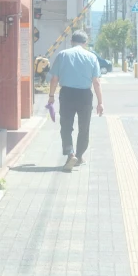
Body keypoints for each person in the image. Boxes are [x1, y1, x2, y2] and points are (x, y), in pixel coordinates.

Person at [48, 30, 104, 172]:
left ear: (71, 41)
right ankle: (79, 156)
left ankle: (70, 154)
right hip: (85, 95)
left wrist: (51, 96)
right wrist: (100, 102)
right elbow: (96, 82)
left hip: (66, 94)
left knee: (66, 127)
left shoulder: (62, 55)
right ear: (85, 43)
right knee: (84, 127)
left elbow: (54, 78)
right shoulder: (92, 57)